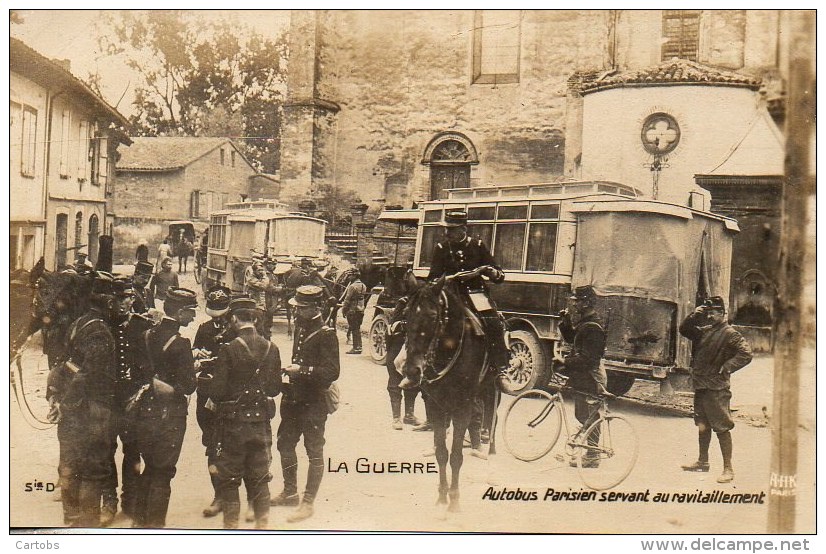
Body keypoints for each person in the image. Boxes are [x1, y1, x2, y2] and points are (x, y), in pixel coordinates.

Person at [46, 271, 118, 527]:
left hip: (74, 409)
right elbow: (81, 374)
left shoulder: (80, 325)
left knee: (69, 465)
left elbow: (69, 367)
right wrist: (61, 401)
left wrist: (57, 398)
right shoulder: (98, 330)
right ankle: (85, 524)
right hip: (90, 412)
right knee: (91, 469)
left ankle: (72, 519)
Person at [206, 297, 282, 529]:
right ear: (256, 319)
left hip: (233, 425)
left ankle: (231, 530)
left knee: (229, 480)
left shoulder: (228, 349)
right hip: (260, 423)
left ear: (235, 319)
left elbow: (217, 392)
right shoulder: (272, 348)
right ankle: (261, 529)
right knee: (259, 478)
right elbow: (274, 389)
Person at [273, 285, 340, 523]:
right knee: (284, 444)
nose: (297, 312)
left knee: (314, 451)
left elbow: (332, 372)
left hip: (313, 402)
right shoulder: (303, 327)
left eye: (301, 308)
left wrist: (300, 370)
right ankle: (290, 492)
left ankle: (307, 502)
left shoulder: (326, 333)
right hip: (293, 398)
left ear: (315, 308)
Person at [131, 288, 198, 528]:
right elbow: (189, 386)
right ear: (179, 312)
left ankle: (138, 522)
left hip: (145, 411)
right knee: (163, 471)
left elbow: (139, 372)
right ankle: (155, 528)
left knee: (148, 466)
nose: (192, 317)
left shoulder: (146, 335)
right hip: (170, 416)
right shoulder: (181, 344)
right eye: (191, 312)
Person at [427, 210, 510, 388]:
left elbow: (499, 275)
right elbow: (432, 278)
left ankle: (500, 368)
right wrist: (453, 278)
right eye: (446, 229)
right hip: (449, 294)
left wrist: (491, 272)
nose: (447, 233)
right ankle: (419, 364)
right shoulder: (441, 249)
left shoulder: (478, 246)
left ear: (463, 229)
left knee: (493, 323)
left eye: (452, 229)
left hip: (475, 294)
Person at [679, 296, 752, 484]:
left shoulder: (730, 333)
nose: (710, 316)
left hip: (716, 388)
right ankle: (703, 462)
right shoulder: (705, 331)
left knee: (722, 427)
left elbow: (746, 354)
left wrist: (727, 367)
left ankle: (728, 468)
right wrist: (695, 315)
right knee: (702, 425)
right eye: (708, 312)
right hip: (701, 385)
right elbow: (684, 329)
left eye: (713, 312)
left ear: (722, 313)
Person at [107, 275, 155, 524]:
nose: (124, 303)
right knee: (105, 448)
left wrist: (142, 389)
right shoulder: (103, 325)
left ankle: (130, 500)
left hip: (132, 398)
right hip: (107, 398)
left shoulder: (142, 326)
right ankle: (109, 500)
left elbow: (150, 365)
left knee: (132, 449)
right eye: (119, 298)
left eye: (127, 298)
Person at [192, 285, 233, 519]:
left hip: (229, 394)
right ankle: (219, 494)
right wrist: (197, 354)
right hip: (207, 392)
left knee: (229, 444)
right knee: (212, 444)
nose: (218, 321)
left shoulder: (237, 331)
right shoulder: (205, 328)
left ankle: (228, 494)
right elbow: (196, 348)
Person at [558, 285, 608, 468]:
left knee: (590, 415)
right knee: (582, 414)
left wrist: (565, 363)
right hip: (584, 376)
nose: (574, 304)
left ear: (586, 303)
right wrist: (565, 321)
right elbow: (573, 339)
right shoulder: (585, 321)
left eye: (578, 301)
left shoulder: (593, 326)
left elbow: (589, 359)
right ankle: (588, 450)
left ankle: (593, 455)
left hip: (592, 377)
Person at [384, 296, 425, 430]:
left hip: (415, 349)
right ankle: (396, 418)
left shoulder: (427, 302)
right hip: (398, 346)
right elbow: (392, 328)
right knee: (395, 381)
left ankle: (409, 415)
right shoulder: (403, 302)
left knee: (414, 381)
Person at [341, 270, 367, 354]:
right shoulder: (363, 286)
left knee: (354, 328)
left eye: (350, 275)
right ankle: (359, 346)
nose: (349, 277)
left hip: (352, 310)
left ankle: (356, 348)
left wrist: (344, 309)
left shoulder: (352, 286)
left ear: (354, 276)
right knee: (357, 329)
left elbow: (347, 299)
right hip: (361, 309)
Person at [245, 262, 273, 339]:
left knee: (265, 326)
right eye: (259, 270)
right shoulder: (251, 279)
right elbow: (263, 286)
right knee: (258, 327)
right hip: (255, 306)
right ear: (254, 271)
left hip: (263, 306)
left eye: (262, 270)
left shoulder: (260, 278)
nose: (261, 272)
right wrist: (265, 276)